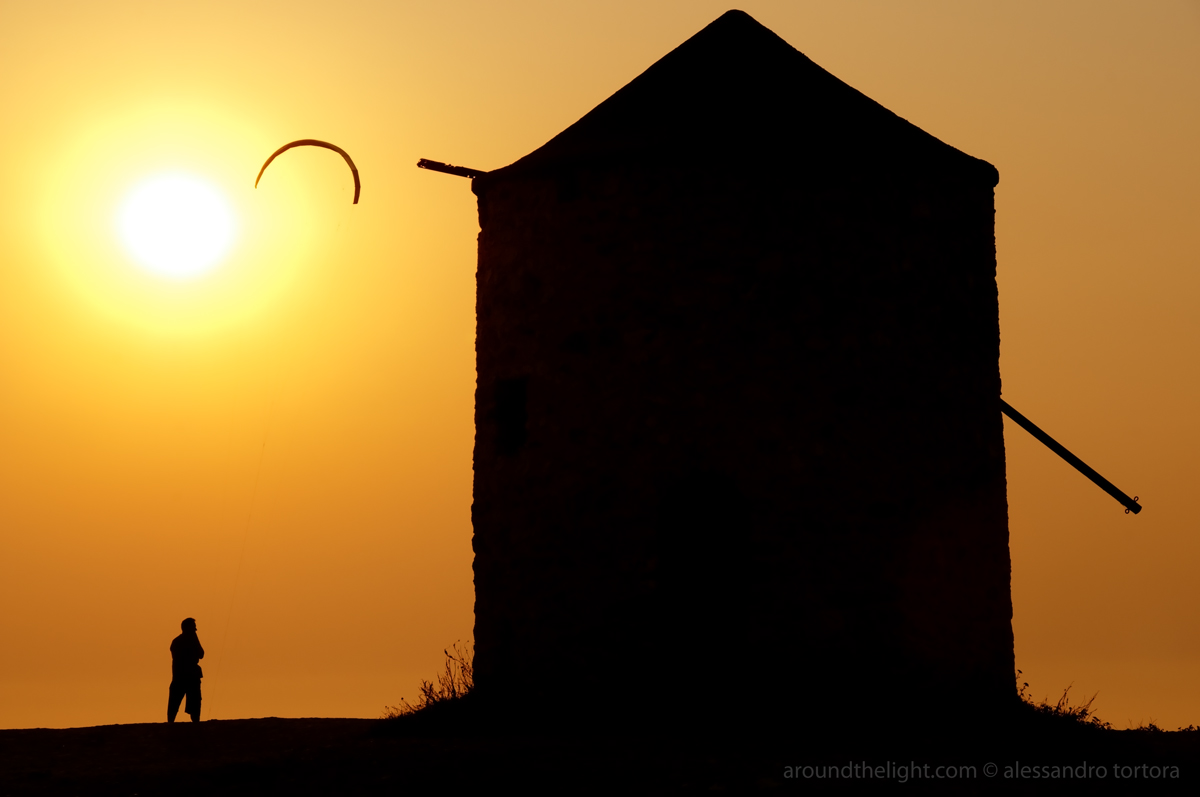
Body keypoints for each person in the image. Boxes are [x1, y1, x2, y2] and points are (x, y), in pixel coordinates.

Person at [167, 617, 204, 723]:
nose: (195, 630)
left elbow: (201, 654)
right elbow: (201, 654)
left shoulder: (177, 641)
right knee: (185, 703)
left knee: (179, 703)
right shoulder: (184, 641)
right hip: (186, 677)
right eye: (194, 627)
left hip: (182, 676)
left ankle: (171, 724)